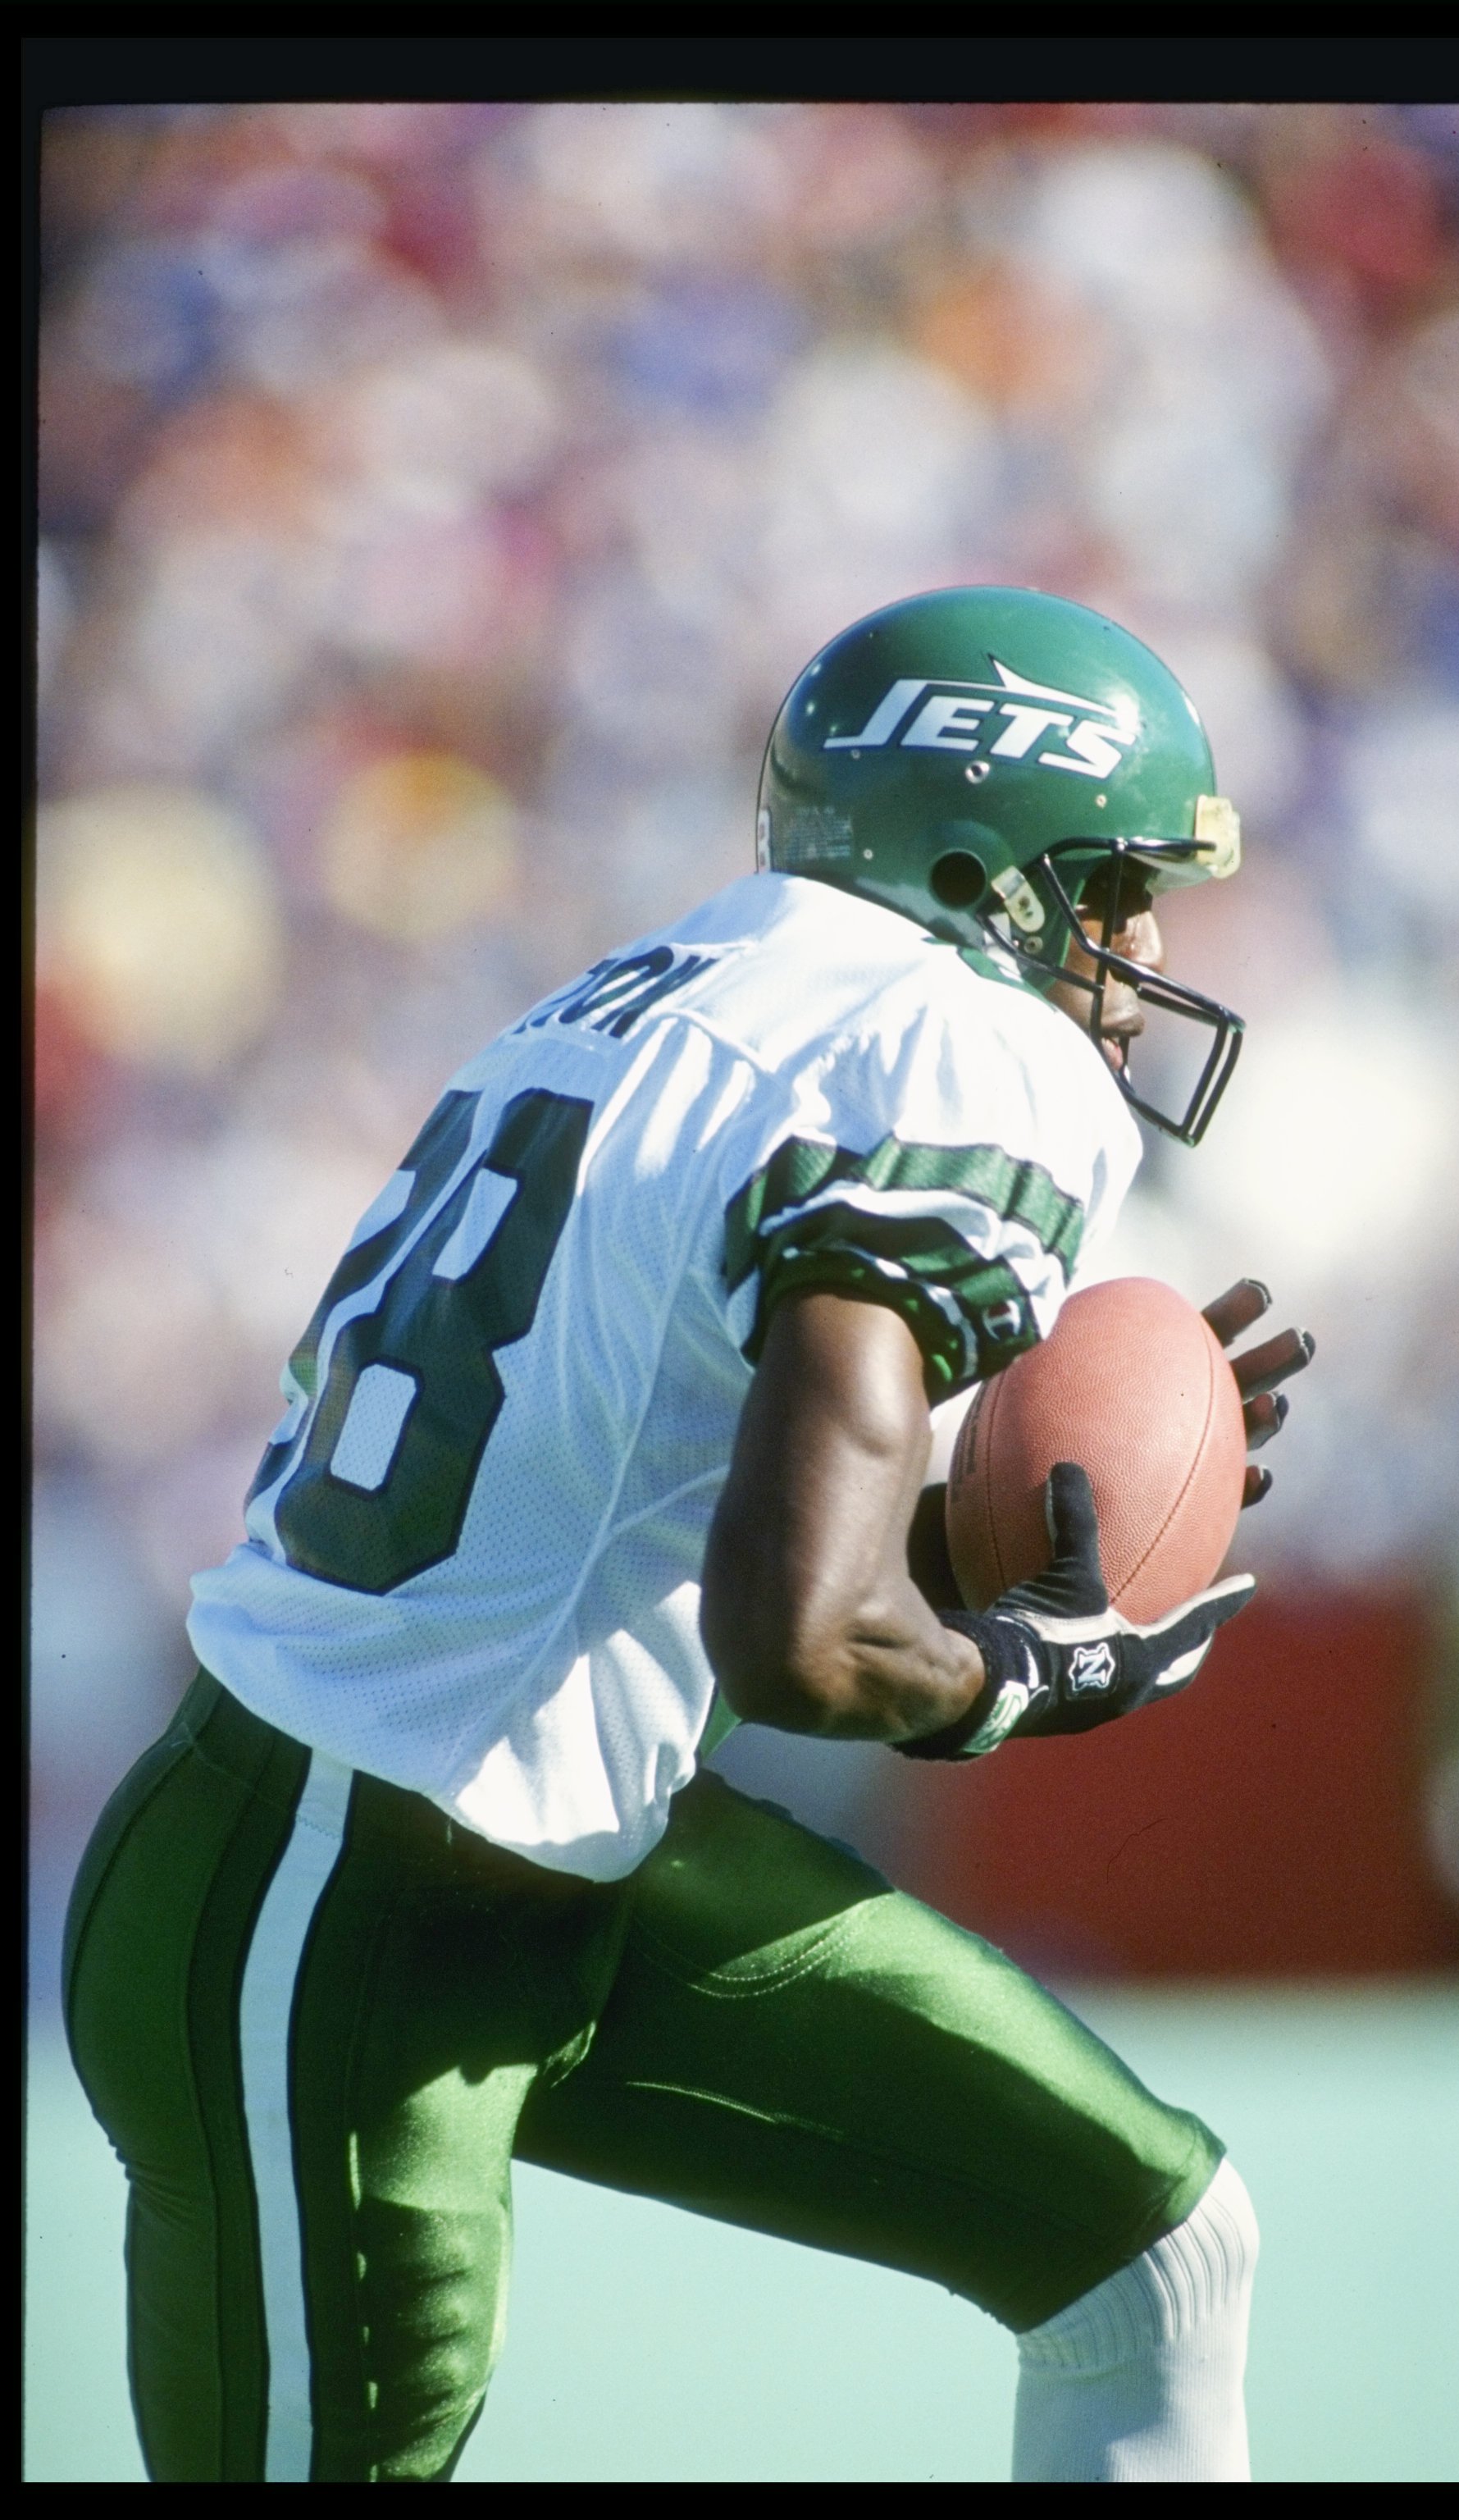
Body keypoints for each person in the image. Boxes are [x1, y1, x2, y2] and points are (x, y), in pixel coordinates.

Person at [62, 587, 1313, 2484]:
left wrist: (1009, 1527)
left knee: (1149, 2246)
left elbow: (668, 1498)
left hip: (532, 1843)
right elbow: (800, 1641)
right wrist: (1018, 1671)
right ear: (979, 864)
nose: (1138, 953)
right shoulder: (958, 1047)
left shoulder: (651, 987)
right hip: (333, 1913)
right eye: (1113, 886)